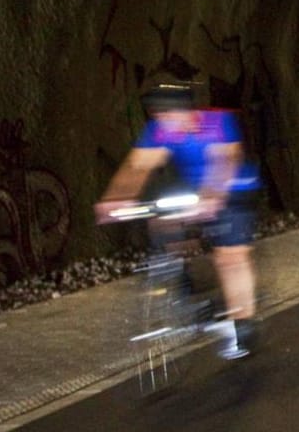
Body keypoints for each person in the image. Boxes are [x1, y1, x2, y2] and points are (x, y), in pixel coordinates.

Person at [95, 82, 263, 358]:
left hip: (234, 190)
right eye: (159, 116)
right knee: (162, 219)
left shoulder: (217, 123)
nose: (165, 123)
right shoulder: (159, 131)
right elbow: (136, 167)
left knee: (229, 256)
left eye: (170, 115)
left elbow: (226, 161)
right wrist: (115, 199)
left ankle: (242, 324)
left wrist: (213, 196)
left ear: (188, 112)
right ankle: (181, 282)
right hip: (195, 191)